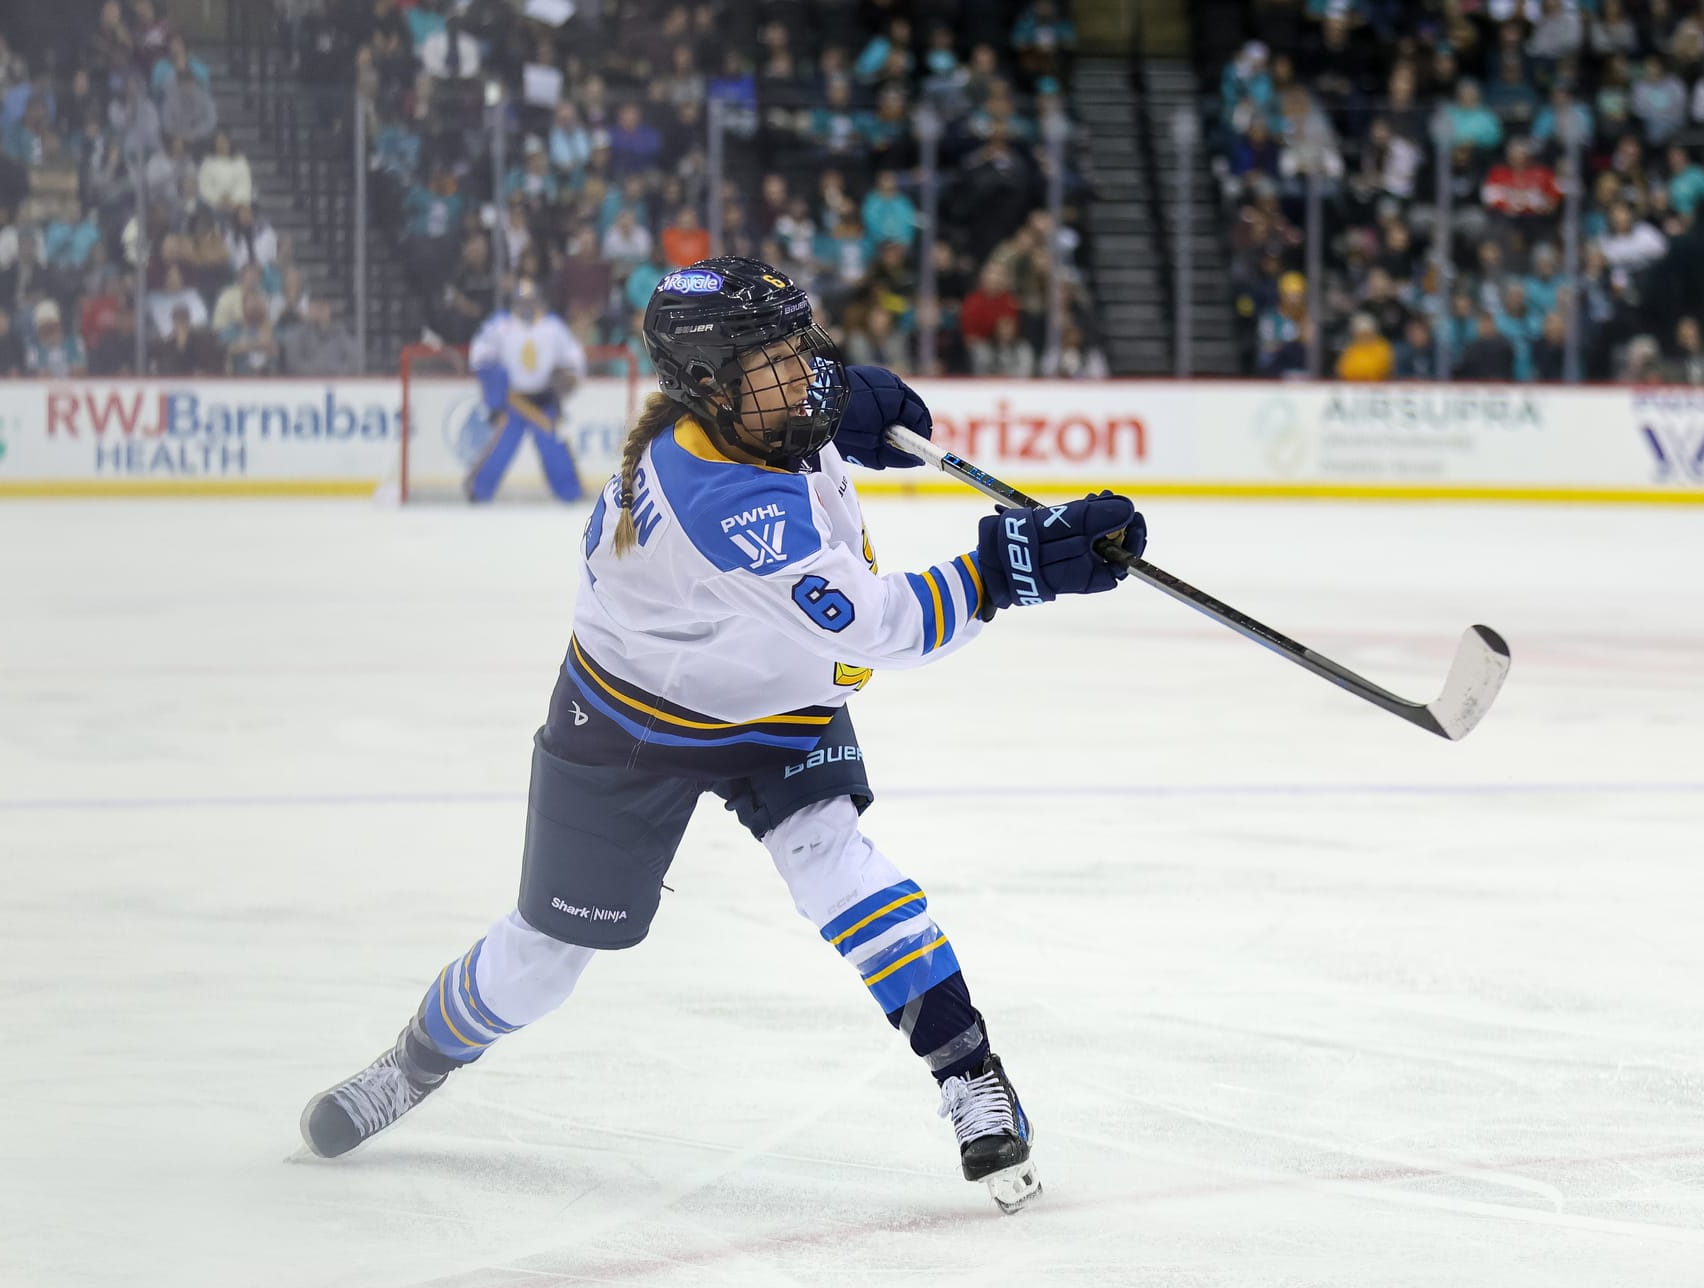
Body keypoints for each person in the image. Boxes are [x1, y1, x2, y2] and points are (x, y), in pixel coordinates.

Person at [298, 256, 1149, 1213]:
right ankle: (412, 1064)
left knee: (835, 862)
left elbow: (814, 444)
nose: (805, 371)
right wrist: (1010, 572)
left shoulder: (760, 414)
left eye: (801, 345)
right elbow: (880, 628)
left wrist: (839, 411)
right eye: (777, 359)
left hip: (775, 690)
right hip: (632, 722)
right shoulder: (725, 506)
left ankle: (970, 1075)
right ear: (707, 381)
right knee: (541, 962)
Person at [463, 278, 589, 502]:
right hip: (512, 401)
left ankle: (570, 493)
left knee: (554, 449)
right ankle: (479, 491)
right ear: (514, 302)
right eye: (522, 301)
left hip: (543, 400)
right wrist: (494, 378)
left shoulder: (553, 327)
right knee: (500, 449)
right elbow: (478, 355)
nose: (526, 306)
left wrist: (568, 376)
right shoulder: (499, 325)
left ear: (539, 301)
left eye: (530, 301)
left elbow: (574, 358)